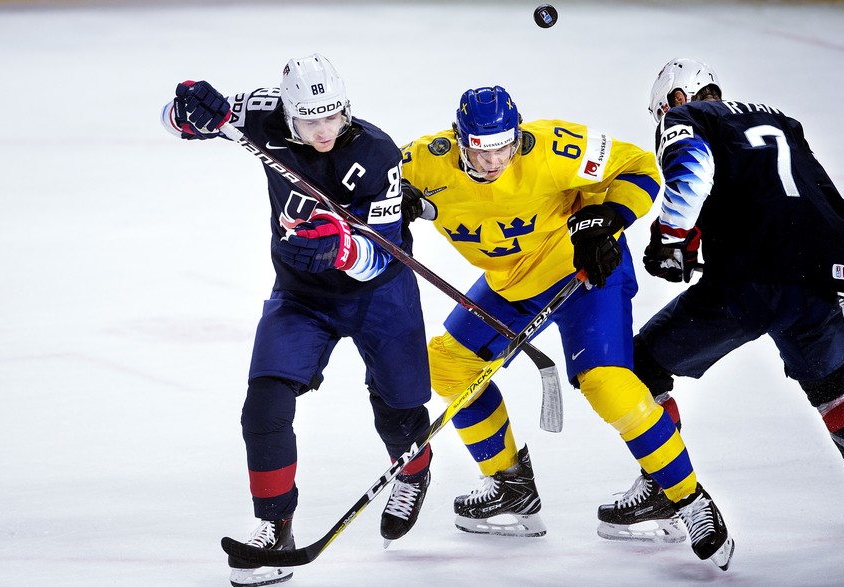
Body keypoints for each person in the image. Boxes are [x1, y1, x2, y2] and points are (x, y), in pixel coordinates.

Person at [400, 85, 735, 570]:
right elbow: (363, 180)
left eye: (504, 147)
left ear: (517, 136)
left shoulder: (557, 146)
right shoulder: (422, 163)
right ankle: (511, 487)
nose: (494, 161)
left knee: (607, 384)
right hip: (511, 281)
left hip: (587, 271)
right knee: (447, 365)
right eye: (480, 149)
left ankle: (687, 499)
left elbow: (641, 167)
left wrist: (606, 219)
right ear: (459, 140)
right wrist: (391, 205)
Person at [161, 54, 434, 586]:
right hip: (300, 296)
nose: (323, 131)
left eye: (332, 117)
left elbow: (383, 254)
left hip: (379, 295)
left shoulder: (378, 153)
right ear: (287, 114)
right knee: (263, 406)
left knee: (398, 410)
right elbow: (176, 121)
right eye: (310, 121)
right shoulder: (262, 115)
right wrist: (188, 110)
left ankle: (414, 470)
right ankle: (274, 526)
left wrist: (341, 250)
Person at [596, 57, 844, 544]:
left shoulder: (689, 118)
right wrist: (839, 274)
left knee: (640, 366)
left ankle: (665, 487)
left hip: (751, 283)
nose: (664, 122)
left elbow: (692, 175)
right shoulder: (779, 120)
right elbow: (814, 195)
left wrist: (670, 239)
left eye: (663, 112)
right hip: (815, 272)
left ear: (676, 100)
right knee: (831, 385)